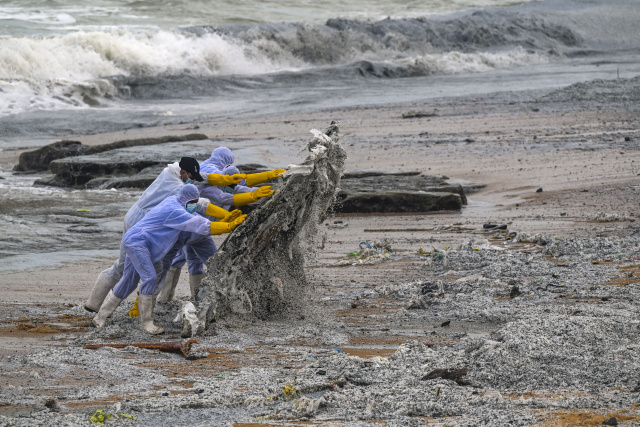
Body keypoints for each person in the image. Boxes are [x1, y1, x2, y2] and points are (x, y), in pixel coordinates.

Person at [84, 156, 246, 313]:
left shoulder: (169, 172)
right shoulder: (177, 188)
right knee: (147, 270)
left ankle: (94, 303)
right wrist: (224, 218)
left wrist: (224, 180)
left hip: (133, 216)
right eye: (190, 175)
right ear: (183, 172)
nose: (192, 179)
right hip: (142, 224)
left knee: (122, 265)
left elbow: (202, 177)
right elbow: (200, 204)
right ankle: (137, 308)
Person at [92, 184, 246, 334]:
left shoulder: (175, 200)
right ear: (186, 199)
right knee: (150, 277)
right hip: (138, 242)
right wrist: (228, 227)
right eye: (192, 202)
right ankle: (146, 322)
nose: (193, 205)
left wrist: (224, 218)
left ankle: (100, 317)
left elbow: (198, 210)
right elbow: (197, 223)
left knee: (129, 280)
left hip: (135, 239)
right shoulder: (175, 210)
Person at [156, 147, 285, 301]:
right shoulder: (212, 178)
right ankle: (206, 299)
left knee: (185, 260)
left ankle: (173, 300)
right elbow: (225, 197)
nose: (232, 188)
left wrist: (271, 192)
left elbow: (238, 185)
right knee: (212, 262)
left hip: (190, 228)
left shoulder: (214, 170)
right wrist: (255, 195)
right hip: (196, 229)